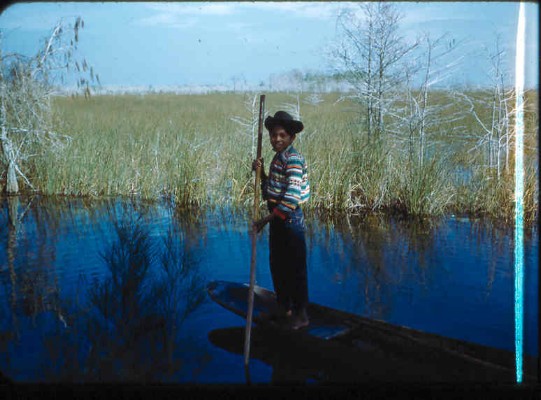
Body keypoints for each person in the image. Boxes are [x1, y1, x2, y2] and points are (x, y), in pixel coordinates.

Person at [252, 110, 310, 330]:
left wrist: (264, 220)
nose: (276, 139)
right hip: (278, 217)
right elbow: (270, 193)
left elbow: (291, 199)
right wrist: (262, 175)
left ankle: (301, 315)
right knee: (278, 266)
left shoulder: (293, 159)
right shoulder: (278, 158)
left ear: (291, 138)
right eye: (273, 135)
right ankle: (284, 308)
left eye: (282, 135)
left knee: (295, 268)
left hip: (290, 220)